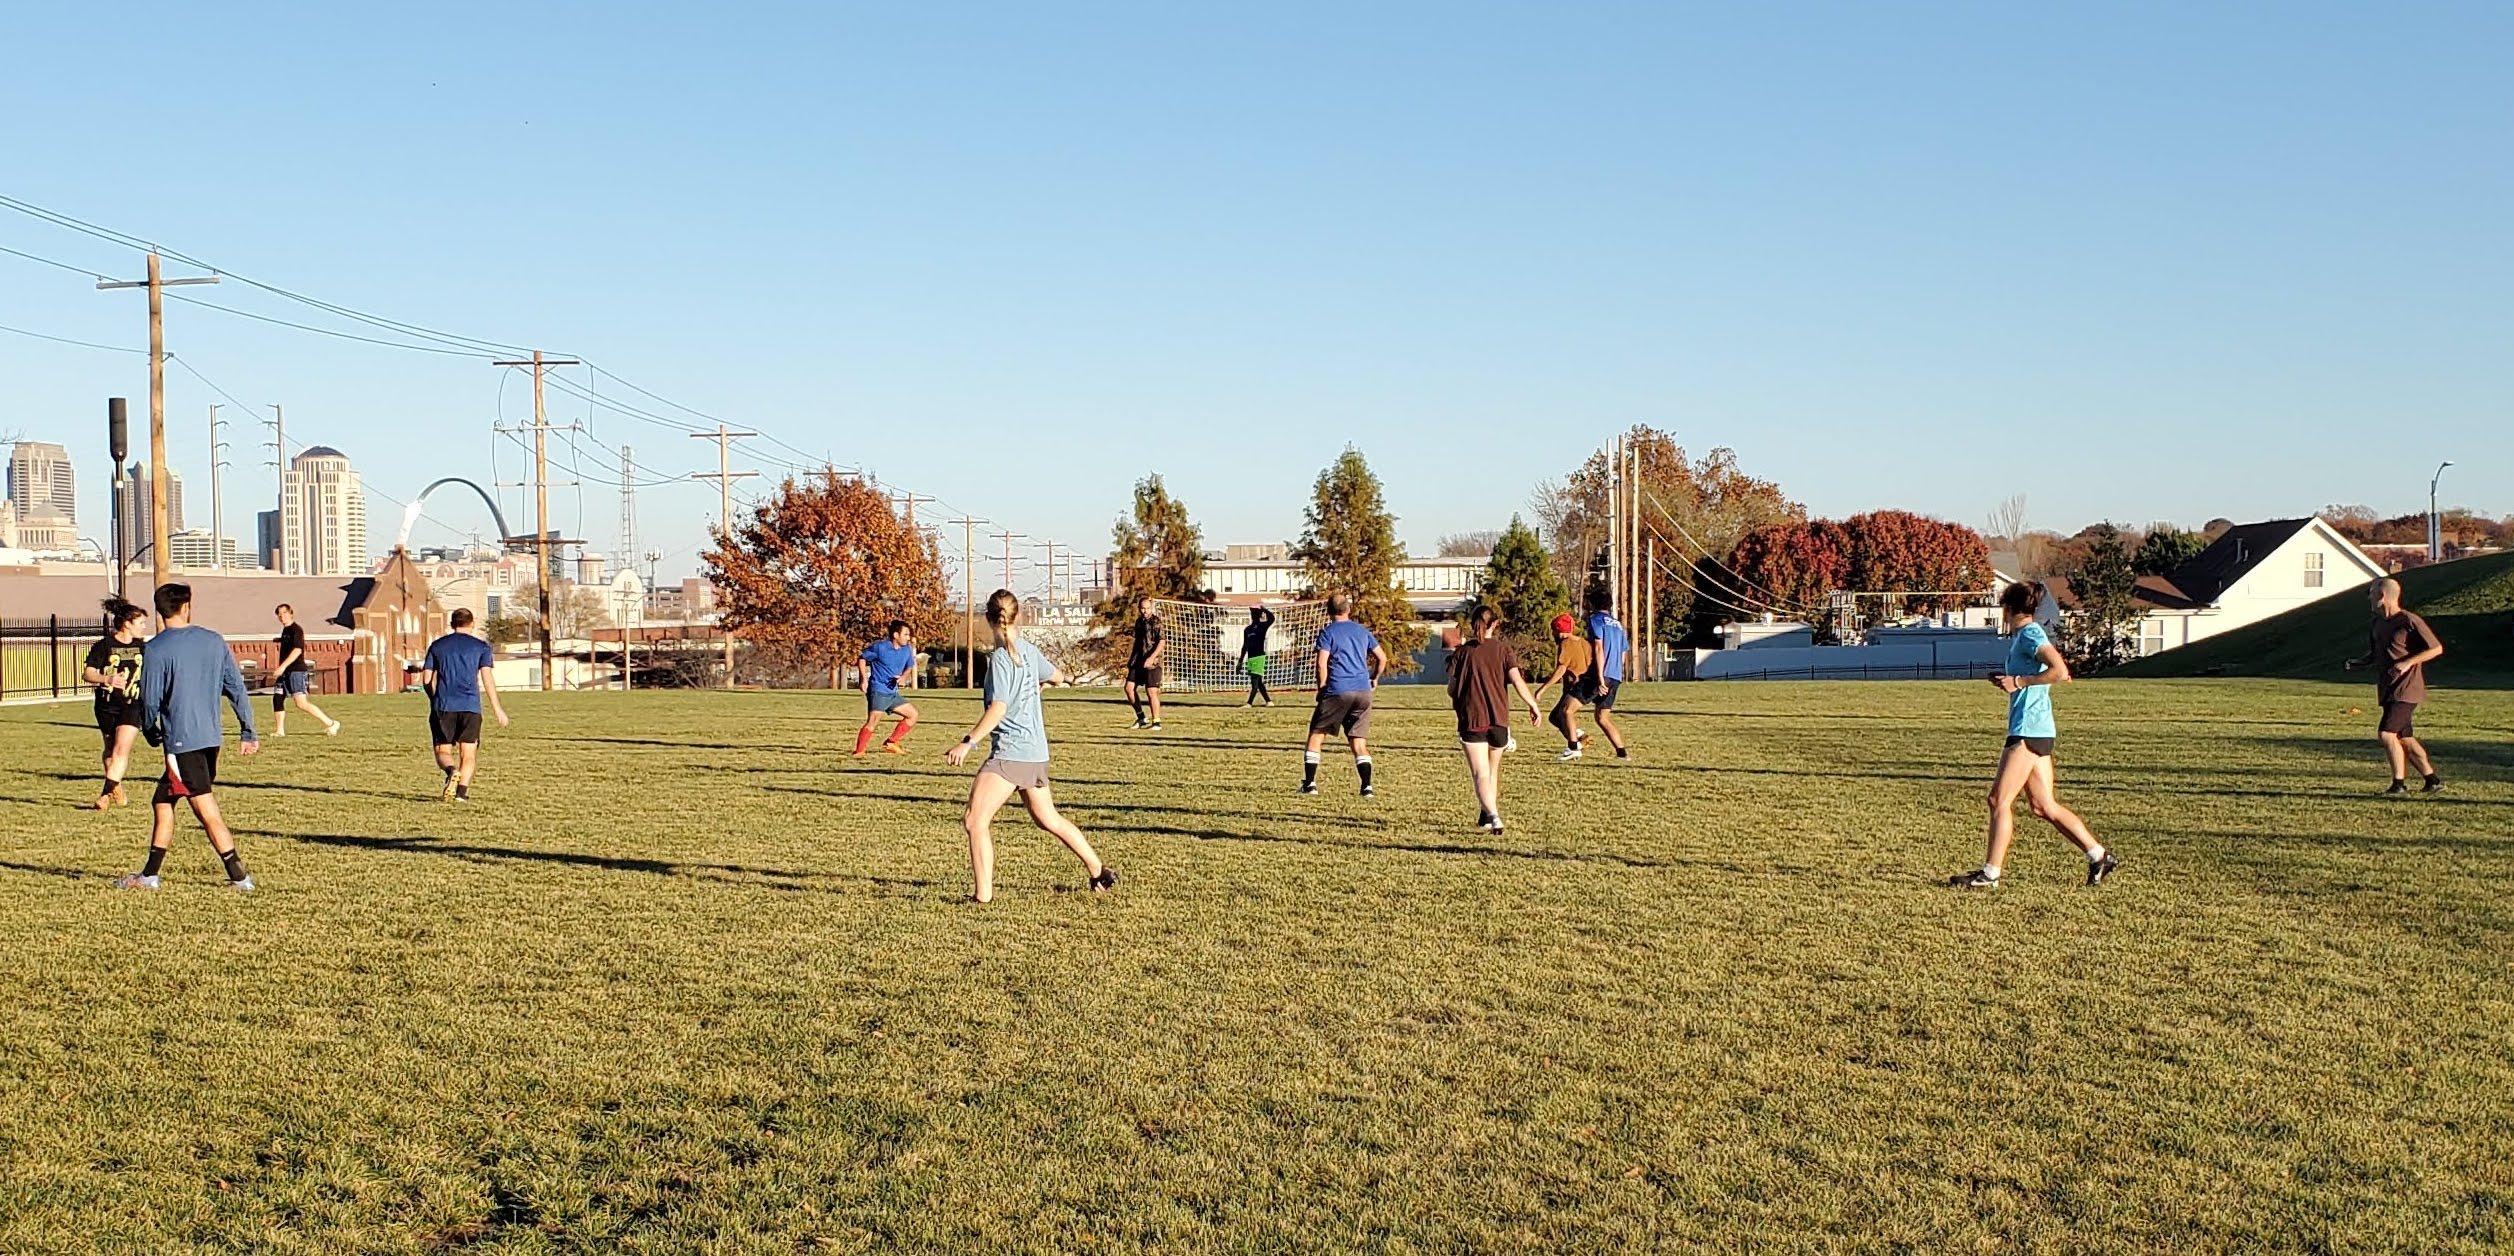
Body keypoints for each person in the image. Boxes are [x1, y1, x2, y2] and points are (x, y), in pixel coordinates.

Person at [944, 589, 1116, 904]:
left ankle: (982, 896)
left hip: (1012, 753)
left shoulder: (1000, 659)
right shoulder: (1028, 651)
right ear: (1018, 616)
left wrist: (967, 742)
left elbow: (998, 709)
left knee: (974, 820)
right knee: (1047, 819)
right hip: (1035, 751)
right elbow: (1059, 677)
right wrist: (1039, 683)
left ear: (988, 619)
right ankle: (1098, 871)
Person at [1949, 581, 2117, 889]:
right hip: (2036, 726)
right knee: (2043, 806)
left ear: (2008, 609)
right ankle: (2099, 855)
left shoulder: (2030, 633)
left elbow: (2060, 671)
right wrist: (2010, 680)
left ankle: (1990, 874)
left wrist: (2020, 681)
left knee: (1998, 800)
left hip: (2029, 728)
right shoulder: (2024, 636)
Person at [116, 583, 260, 892]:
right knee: (162, 801)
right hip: (210, 739)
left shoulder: (156, 649)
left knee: (205, 809)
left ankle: (239, 877)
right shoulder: (213, 640)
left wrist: (151, 730)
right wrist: (248, 730)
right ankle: (149, 875)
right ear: (186, 607)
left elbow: (150, 698)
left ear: (159, 611)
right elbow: (236, 687)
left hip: (183, 743)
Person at [1447, 607, 1544, 834]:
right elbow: (1518, 681)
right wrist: (1533, 705)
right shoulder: (1503, 650)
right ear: (1495, 624)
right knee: (1492, 771)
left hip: (1472, 719)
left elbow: (1451, 689)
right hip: (1499, 719)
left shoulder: (1462, 653)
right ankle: (1486, 813)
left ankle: (1494, 815)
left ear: (1472, 624)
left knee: (1480, 773)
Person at [2345, 577, 2446, 795]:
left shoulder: (2409, 621)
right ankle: (2433, 780)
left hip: (2407, 689)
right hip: (2388, 689)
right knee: (2405, 738)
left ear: (2382, 596)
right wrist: (2359, 663)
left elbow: (2436, 648)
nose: (2369, 598)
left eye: (2371, 593)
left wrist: (2407, 662)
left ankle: (2398, 785)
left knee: (2386, 734)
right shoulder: (2377, 624)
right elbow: (2375, 654)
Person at [1303, 593, 1390, 796]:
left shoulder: (1328, 632)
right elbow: (1382, 658)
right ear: (1348, 609)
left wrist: (1322, 687)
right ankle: (1367, 787)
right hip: (1363, 691)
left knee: (1316, 735)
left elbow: (1321, 663)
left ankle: (1309, 785)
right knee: (1359, 742)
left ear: (1328, 611)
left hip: (1338, 690)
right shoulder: (1361, 631)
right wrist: (1374, 678)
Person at [419, 608, 509, 802]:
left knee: (443, 751)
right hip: (471, 707)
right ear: (472, 623)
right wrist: (497, 709)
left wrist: (433, 698)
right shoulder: (481, 647)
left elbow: (426, 678)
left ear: (452, 624)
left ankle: (451, 771)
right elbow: (487, 678)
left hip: (444, 706)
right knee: (468, 754)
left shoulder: (437, 646)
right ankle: (461, 793)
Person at [81, 596, 149, 810]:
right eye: (141, 623)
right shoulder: (104, 645)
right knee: (110, 753)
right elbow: (88, 673)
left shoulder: (144, 647)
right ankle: (115, 786)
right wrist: (107, 679)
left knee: (121, 751)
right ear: (127, 624)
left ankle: (103, 796)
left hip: (132, 704)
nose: (144, 628)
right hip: (106, 705)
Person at [1530, 612, 1596, 761]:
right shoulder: (1584, 643)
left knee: (1566, 712)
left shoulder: (1565, 643)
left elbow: (1561, 669)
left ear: (1559, 631)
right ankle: (1578, 737)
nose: (1552, 634)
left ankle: (1574, 747)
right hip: (1588, 684)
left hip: (1577, 686)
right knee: (1555, 717)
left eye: (1553, 630)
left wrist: (1542, 689)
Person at [269, 603, 341, 738]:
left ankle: (331, 723)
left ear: (291, 614)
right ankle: (279, 731)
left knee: (301, 703)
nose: (281, 616)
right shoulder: (285, 631)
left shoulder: (296, 630)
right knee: (277, 698)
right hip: (285, 673)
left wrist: (282, 666)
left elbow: (297, 650)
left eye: (284, 613)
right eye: (279, 614)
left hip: (295, 671)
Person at [852, 620, 921, 756]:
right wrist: (863, 679)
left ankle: (891, 743)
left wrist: (903, 677)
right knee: (873, 722)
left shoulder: (906, 650)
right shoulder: (880, 647)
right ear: (896, 635)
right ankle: (859, 751)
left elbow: (909, 666)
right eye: (906, 634)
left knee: (912, 715)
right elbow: (862, 658)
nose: (909, 637)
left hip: (892, 692)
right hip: (878, 690)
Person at [1582, 590, 1633, 759]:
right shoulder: (1618, 625)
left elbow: (1598, 647)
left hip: (1601, 674)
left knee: (1566, 709)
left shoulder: (1595, 620)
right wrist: (1618, 674)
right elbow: (1624, 651)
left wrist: (1600, 678)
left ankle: (1573, 745)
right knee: (1602, 717)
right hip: (1616, 674)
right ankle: (1622, 753)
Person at [1125, 604, 1166, 730]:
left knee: (1151, 691)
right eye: (1143, 608)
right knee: (1129, 688)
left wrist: (1152, 657)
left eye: (1148, 608)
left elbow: (1162, 641)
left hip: (1152, 663)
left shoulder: (1156, 622)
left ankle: (1156, 722)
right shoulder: (1139, 622)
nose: (1145, 611)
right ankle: (1141, 717)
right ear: (1139, 609)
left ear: (1151, 608)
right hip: (1138, 661)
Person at [1239, 605, 1277, 707]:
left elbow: (1272, 618)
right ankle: (1269, 701)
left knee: (1254, 682)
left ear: (1260, 615)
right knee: (1259, 682)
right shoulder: (1247, 629)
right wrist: (1240, 661)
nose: (1253, 615)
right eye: (1252, 613)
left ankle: (1249, 703)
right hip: (1251, 658)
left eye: (1255, 613)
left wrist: (1264, 609)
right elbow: (1245, 646)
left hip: (1259, 657)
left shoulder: (1262, 626)